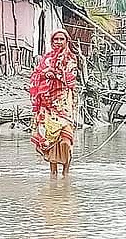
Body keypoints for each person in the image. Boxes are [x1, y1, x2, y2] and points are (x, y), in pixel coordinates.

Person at [30, 29, 78, 178]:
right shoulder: (47, 58)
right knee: (51, 139)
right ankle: (53, 174)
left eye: (61, 39)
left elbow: (70, 78)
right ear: (52, 41)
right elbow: (37, 74)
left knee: (65, 139)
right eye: (56, 39)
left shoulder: (71, 59)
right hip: (47, 103)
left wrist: (55, 73)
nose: (58, 42)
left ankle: (66, 173)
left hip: (63, 102)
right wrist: (45, 73)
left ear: (66, 41)